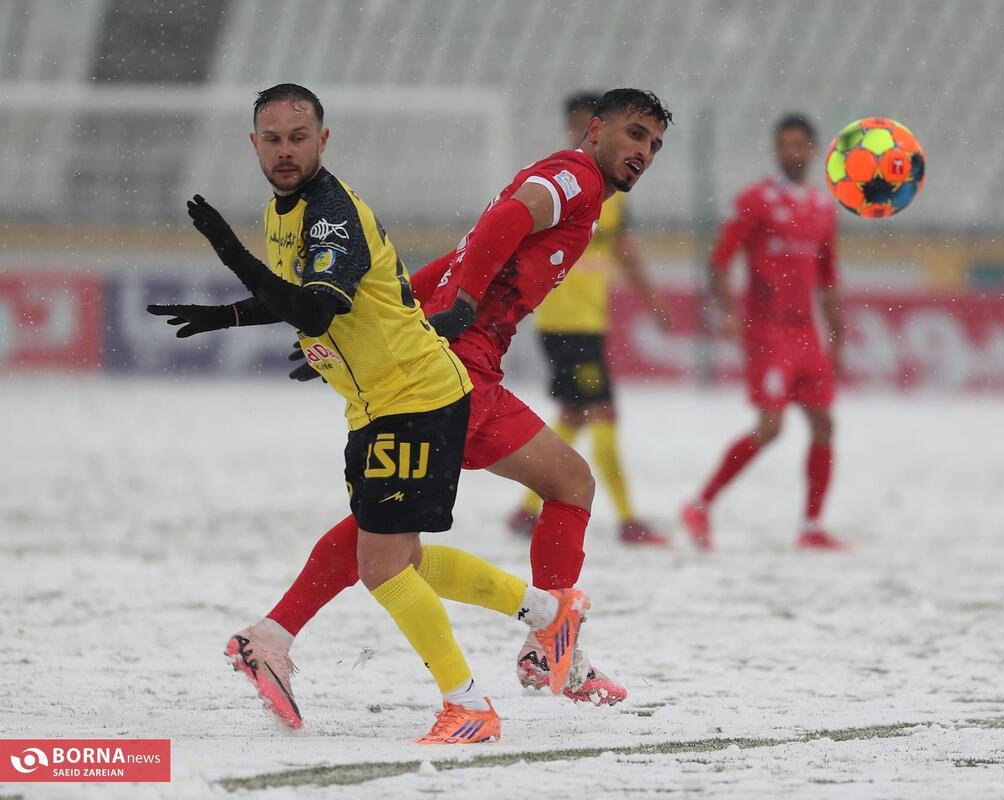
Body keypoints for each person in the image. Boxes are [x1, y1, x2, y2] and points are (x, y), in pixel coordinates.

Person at [167, 88, 672, 725]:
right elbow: (506, 220)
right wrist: (463, 304)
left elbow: (458, 255)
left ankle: (276, 636)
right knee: (521, 498)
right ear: (596, 129)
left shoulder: (563, 178)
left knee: (392, 528)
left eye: (654, 144)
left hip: (446, 357)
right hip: (459, 369)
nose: (643, 151)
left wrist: (404, 313)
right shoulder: (577, 179)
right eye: (634, 134)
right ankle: (537, 648)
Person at [508, 92, 671, 546]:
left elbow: (623, 251)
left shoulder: (614, 191)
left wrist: (652, 301)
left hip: (586, 321)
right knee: (603, 412)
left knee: (574, 415)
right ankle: (627, 519)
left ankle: (526, 509)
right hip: (565, 321)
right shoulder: (558, 184)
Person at [681, 114, 846, 551]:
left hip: (806, 331)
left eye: (799, 145)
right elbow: (719, 261)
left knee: (824, 423)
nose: (792, 152)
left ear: (813, 149)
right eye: (785, 145)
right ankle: (699, 504)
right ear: (776, 150)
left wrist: (838, 334)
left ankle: (811, 527)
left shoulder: (823, 208)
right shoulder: (755, 201)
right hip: (768, 329)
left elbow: (828, 278)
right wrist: (730, 314)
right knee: (771, 427)